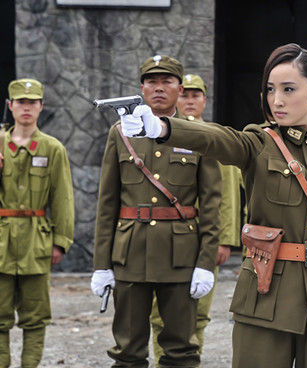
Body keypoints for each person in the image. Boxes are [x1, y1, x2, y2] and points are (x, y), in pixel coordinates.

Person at [119, 43, 307, 368]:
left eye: (288, 89)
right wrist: (163, 128)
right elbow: (217, 139)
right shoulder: (259, 143)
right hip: (266, 299)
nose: (276, 100)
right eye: (270, 89)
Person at [91, 55, 221, 368]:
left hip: (180, 255)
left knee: (180, 351)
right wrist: (101, 264)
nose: (159, 88)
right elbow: (107, 202)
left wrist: (206, 262)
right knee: (128, 351)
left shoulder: (199, 134)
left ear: (180, 88)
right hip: (130, 254)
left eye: (167, 82)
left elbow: (212, 203)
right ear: (141, 88)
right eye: (152, 81)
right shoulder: (120, 133)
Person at [149, 73, 242, 364]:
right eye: (185, 95)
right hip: (169, 236)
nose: (190, 100)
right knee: (159, 315)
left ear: (204, 100)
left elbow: (226, 194)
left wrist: (224, 240)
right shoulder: (159, 131)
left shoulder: (214, 136)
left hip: (204, 238)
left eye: (195, 95)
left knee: (198, 313)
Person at [0, 78, 74, 368]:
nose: (26, 107)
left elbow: (63, 199)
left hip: (36, 242)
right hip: (2, 243)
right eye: (20, 102)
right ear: (10, 106)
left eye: (32, 102)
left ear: (41, 107)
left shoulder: (52, 148)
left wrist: (61, 242)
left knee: (35, 317)